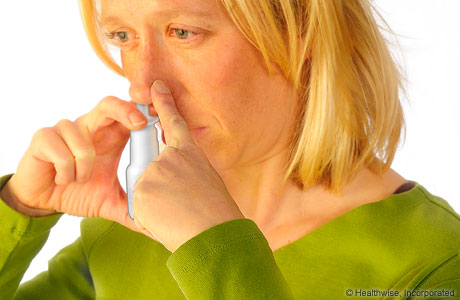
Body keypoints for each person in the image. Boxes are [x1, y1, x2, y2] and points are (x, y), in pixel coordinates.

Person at [0, 0, 459, 299]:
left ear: (302, 35)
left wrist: (215, 249)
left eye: (183, 32)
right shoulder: (129, 230)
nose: (142, 84)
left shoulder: (436, 267)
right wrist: (18, 209)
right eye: (122, 36)